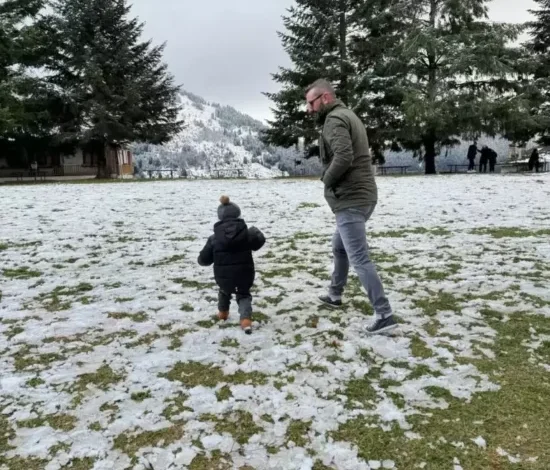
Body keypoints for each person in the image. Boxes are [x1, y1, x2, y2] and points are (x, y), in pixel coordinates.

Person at [304, 78, 396, 335]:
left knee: (359, 257)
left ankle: (384, 314)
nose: (309, 109)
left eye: (311, 103)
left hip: (351, 198)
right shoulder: (347, 114)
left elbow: (344, 156)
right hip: (362, 196)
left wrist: (327, 181)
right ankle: (335, 294)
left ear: (325, 98)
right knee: (339, 247)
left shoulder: (334, 120)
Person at [197, 196, 266, 334]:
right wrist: (256, 232)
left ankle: (223, 313)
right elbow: (259, 242)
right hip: (244, 274)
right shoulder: (247, 234)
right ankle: (245, 320)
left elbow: (204, 260)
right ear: (238, 215)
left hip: (223, 277)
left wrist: (201, 259)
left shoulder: (214, 238)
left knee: (224, 291)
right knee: (243, 295)